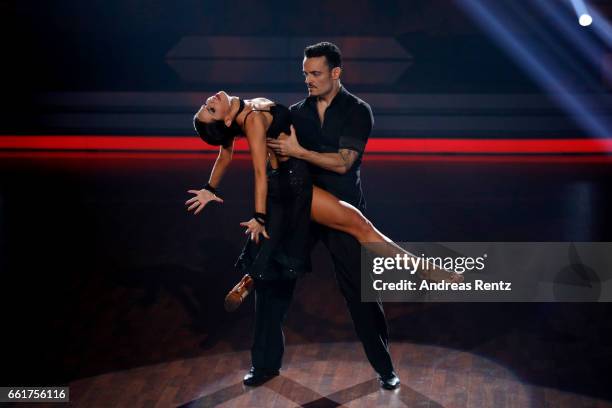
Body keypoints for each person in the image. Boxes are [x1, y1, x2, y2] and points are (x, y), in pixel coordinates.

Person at [187, 48, 462, 389]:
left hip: (328, 200)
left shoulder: (358, 111)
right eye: (305, 73)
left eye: (315, 73)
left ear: (335, 73)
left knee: (360, 291)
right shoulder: (295, 112)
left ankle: (384, 368)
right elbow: (247, 160)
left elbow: (344, 163)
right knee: (274, 287)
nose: (308, 79)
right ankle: (264, 363)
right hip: (297, 196)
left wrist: (294, 156)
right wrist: (229, 195)